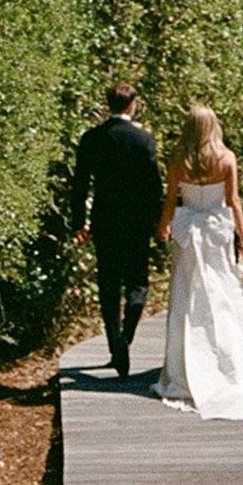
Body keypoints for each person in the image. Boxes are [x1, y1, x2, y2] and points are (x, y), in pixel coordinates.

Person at [156, 102, 243, 421]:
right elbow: (233, 201)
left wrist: (163, 226)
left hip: (187, 234)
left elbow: (171, 199)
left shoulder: (177, 159)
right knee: (221, 296)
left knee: (187, 296)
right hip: (216, 233)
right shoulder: (226, 159)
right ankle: (226, 360)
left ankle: (185, 365)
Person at [67, 82, 164, 381]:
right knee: (137, 284)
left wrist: (78, 221)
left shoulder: (92, 138)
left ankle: (114, 345)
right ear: (132, 105)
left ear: (109, 104)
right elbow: (154, 187)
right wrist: (160, 222)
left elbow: (80, 184)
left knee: (108, 283)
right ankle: (126, 338)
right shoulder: (143, 140)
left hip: (105, 220)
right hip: (136, 222)